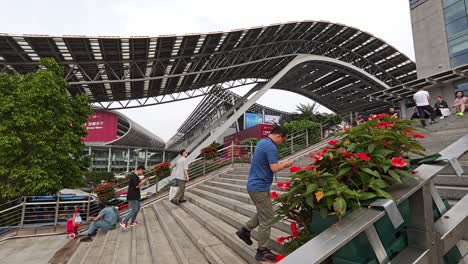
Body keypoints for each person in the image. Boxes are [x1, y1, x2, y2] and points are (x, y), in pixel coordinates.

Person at [236, 126, 293, 262]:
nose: (281, 143)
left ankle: (245, 230)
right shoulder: (270, 146)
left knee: (264, 212)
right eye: (283, 140)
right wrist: (286, 164)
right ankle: (262, 250)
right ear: (279, 136)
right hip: (259, 187)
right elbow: (274, 167)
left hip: (256, 185)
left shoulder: (262, 142)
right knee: (267, 218)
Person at [120, 165, 148, 230]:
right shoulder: (134, 176)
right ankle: (124, 222)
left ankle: (132, 221)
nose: (142, 173)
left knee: (138, 208)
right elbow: (136, 186)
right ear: (140, 169)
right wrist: (143, 181)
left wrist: (142, 181)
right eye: (142, 172)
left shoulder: (136, 176)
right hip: (133, 196)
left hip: (136, 195)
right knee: (134, 209)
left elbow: (136, 185)